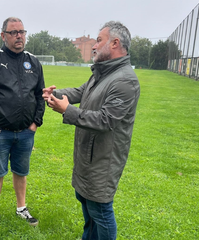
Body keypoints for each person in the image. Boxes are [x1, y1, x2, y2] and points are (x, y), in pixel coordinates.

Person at [43, 21, 140, 240]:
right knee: (87, 205)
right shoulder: (103, 73)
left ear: (115, 43)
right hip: (88, 155)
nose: (95, 46)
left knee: (101, 211)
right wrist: (54, 94)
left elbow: (106, 120)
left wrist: (67, 110)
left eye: (99, 40)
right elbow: (81, 91)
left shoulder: (125, 80)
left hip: (103, 160)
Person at [0, 17, 46, 231]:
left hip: (26, 132)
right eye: (14, 32)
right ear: (3, 35)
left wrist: (35, 123)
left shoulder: (33, 62)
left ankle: (21, 207)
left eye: (22, 32)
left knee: (21, 172)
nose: (19, 36)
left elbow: (40, 94)